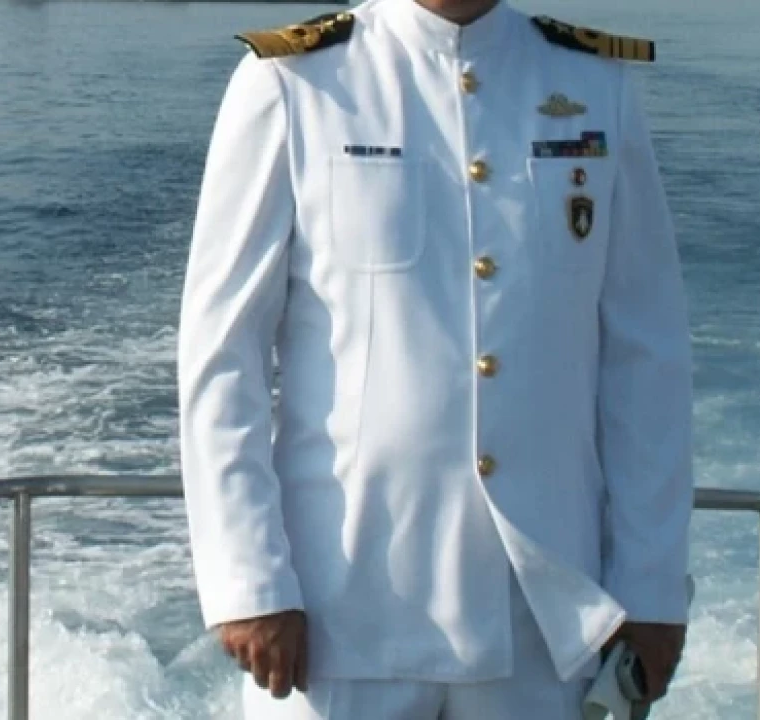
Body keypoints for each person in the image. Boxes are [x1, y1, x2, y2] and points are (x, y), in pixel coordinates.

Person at [176, 0, 693, 717]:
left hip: (546, 618)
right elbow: (223, 352)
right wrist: (250, 582)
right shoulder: (295, 83)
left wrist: (652, 585)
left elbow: (646, 355)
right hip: (337, 618)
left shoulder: (594, 85)